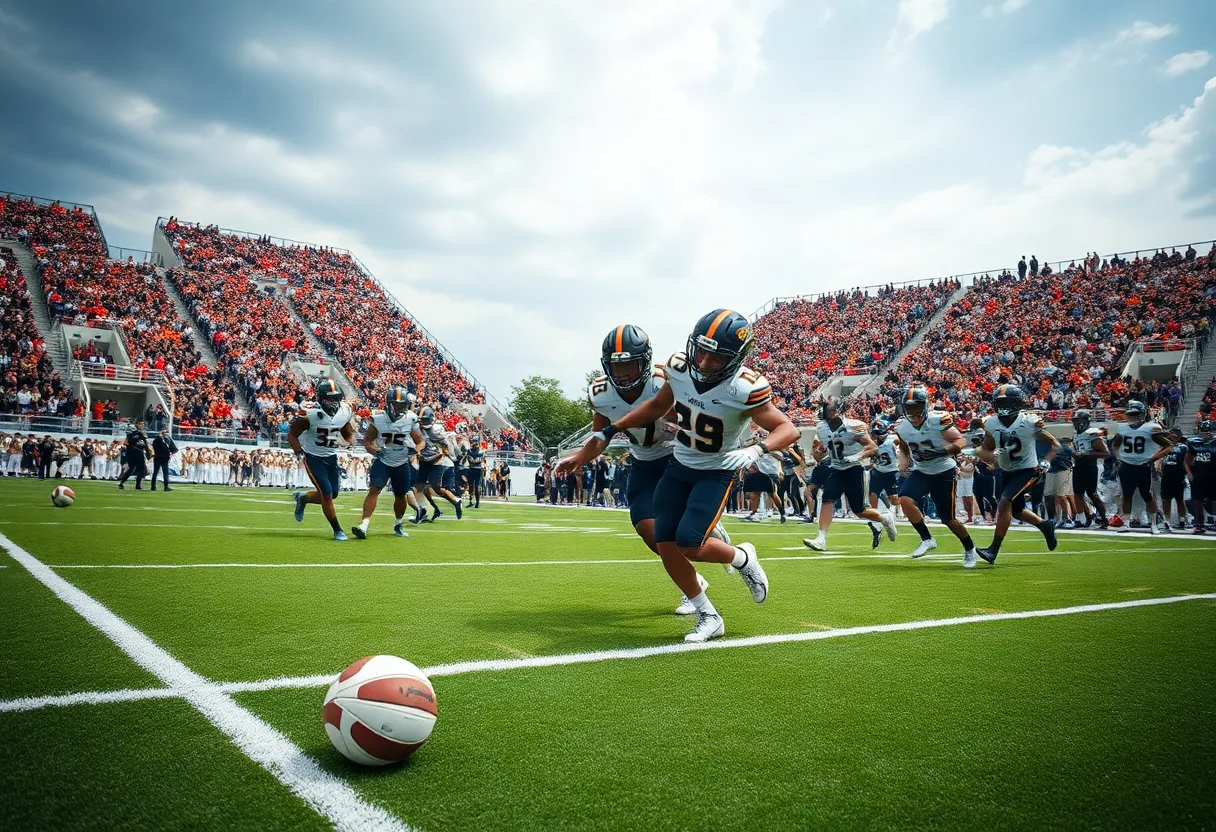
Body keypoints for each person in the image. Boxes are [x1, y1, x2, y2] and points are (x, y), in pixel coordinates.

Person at [590, 308, 798, 642]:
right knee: (665, 542)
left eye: (715, 357)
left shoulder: (744, 388)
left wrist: (756, 450)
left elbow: (787, 428)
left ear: (735, 358)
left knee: (690, 544)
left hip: (716, 471)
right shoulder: (679, 369)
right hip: (679, 465)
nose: (703, 362)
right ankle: (708, 614)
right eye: (700, 351)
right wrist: (614, 428)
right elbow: (658, 406)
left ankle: (743, 556)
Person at [561, 324, 733, 615]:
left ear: (644, 360)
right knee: (647, 529)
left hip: (676, 456)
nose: (624, 372)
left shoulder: (667, 379)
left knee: (673, 532)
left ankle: (704, 560)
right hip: (641, 459)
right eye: (617, 366)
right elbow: (599, 436)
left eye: (630, 363)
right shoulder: (601, 393)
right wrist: (580, 456)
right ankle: (695, 580)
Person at [891, 386, 977, 566]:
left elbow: (961, 440)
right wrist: (904, 461)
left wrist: (942, 451)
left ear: (925, 405)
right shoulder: (902, 427)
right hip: (922, 471)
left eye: (916, 407)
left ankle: (970, 549)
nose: (913, 413)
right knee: (905, 499)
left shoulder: (937, 420)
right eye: (910, 408)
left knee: (949, 520)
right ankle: (927, 539)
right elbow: (905, 447)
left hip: (944, 472)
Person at [976, 385, 1060, 563]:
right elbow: (987, 448)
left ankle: (993, 549)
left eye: (1007, 402)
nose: (1003, 407)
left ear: (1017, 403)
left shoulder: (1029, 422)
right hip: (1007, 471)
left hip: (1029, 470)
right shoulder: (991, 422)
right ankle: (1045, 525)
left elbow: (1055, 444)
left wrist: (1046, 461)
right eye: (1000, 403)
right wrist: (986, 454)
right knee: (1017, 511)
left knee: (1005, 501)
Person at [804, 397, 898, 552]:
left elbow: (872, 447)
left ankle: (885, 518)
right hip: (836, 469)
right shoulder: (821, 427)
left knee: (859, 511)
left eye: (831, 409)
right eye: (826, 410)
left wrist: (858, 456)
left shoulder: (854, 426)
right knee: (827, 498)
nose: (828, 413)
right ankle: (821, 539)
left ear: (840, 410)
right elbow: (829, 446)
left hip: (854, 469)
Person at [353, 385, 424, 539]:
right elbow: (368, 442)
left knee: (400, 495)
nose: (399, 407)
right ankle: (364, 524)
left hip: (401, 463)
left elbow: (420, 441)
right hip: (383, 461)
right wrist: (375, 451)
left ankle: (398, 524)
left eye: (402, 404)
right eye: (396, 404)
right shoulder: (378, 418)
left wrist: (416, 449)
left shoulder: (410, 419)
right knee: (374, 490)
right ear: (388, 403)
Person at [289, 378, 355, 541]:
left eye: (335, 398)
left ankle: (303, 498)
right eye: (328, 398)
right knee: (326, 493)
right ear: (320, 397)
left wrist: (350, 439)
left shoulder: (345, 410)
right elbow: (292, 435)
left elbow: (345, 428)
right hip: (313, 458)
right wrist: (299, 452)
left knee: (332, 494)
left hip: (331, 457)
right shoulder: (310, 413)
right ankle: (337, 530)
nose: (333, 402)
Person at [1109, 400, 1173, 534]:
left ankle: (1154, 524)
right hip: (1127, 465)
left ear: (1142, 414)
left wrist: (1154, 458)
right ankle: (1126, 523)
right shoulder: (1123, 428)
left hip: (1143, 465)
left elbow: (1168, 445)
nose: (1133, 417)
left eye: (1136, 414)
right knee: (1127, 494)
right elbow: (1115, 445)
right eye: (1131, 414)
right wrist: (1118, 457)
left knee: (1147, 495)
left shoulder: (1151, 427)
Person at [412, 406, 464, 521]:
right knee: (418, 486)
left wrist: (438, 454)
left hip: (437, 460)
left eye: (424, 420)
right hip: (425, 459)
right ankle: (426, 510)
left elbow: (445, 448)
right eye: (421, 420)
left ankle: (456, 501)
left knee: (436, 487)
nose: (422, 422)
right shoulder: (416, 427)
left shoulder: (437, 429)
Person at [1070, 410, 1110, 528]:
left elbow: (1105, 453)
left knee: (1092, 494)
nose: (1076, 423)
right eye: (1075, 421)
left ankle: (1104, 518)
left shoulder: (1092, 434)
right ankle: (1081, 519)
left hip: (1090, 466)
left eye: (1078, 421)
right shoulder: (1076, 434)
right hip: (1078, 466)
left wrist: (1086, 454)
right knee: (1077, 493)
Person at [1184, 420, 1216, 534]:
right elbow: (1187, 460)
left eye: (1207, 432)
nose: (1205, 435)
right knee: (1198, 501)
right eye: (1203, 432)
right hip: (1198, 475)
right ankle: (1199, 524)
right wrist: (1189, 473)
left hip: (1213, 474)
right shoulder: (1193, 442)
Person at [1158, 427, 1189, 532]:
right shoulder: (1164, 447)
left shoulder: (1183, 447)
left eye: (1175, 436)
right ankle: (1167, 521)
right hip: (1166, 476)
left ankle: (1182, 521)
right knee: (1166, 500)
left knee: (1180, 500)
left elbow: (1186, 462)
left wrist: (1187, 473)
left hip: (1178, 476)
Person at [868, 420, 900, 513]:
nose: (877, 436)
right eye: (876, 433)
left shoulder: (892, 438)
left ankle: (903, 506)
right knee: (873, 494)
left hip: (891, 471)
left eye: (878, 433)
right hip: (878, 471)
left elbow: (903, 442)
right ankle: (874, 515)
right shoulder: (871, 442)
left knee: (894, 500)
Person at [117, 422, 150, 490]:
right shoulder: (142, 434)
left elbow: (125, 443)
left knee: (131, 469)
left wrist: (130, 446)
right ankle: (138, 485)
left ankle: (122, 482)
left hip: (130, 453)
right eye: (140, 424)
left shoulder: (129, 435)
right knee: (142, 469)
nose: (142, 425)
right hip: (138, 453)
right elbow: (145, 443)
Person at [465, 433, 485, 508]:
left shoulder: (479, 451)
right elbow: (472, 461)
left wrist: (476, 461)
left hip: (475, 470)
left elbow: (472, 461)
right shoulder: (473, 451)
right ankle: (472, 501)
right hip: (474, 469)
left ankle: (476, 502)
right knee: (471, 486)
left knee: (476, 487)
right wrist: (478, 461)